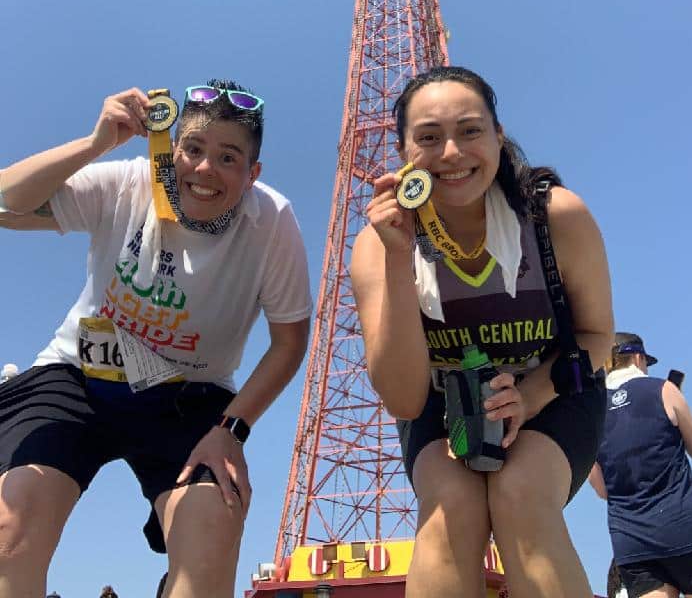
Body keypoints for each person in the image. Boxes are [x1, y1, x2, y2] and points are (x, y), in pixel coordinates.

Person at [0, 81, 312, 598]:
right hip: (78, 376)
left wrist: (231, 429)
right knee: (12, 525)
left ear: (253, 174)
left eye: (228, 157)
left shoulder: (271, 221)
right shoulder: (130, 182)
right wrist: (96, 143)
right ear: (171, 151)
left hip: (188, 396)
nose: (205, 169)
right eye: (193, 149)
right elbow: (6, 201)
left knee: (212, 530)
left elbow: (289, 342)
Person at [350, 65, 614, 598]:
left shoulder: (553, 216)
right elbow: (403, 398)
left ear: (498, 136)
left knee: (521, 490)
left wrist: (530, 396)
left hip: (556, 385)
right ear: (404, 154)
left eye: (470, 131)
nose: (451, 154)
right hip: (440, 399)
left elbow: (597, 337)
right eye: (428, 138)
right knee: (452, 504)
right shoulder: (377, 244)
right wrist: (400, 261)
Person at [589, 332, 692, 598]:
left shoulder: (591, 413)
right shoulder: (663, 389)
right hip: (686, 527)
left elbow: (603, 490)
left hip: (631, 540)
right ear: (638, 358)